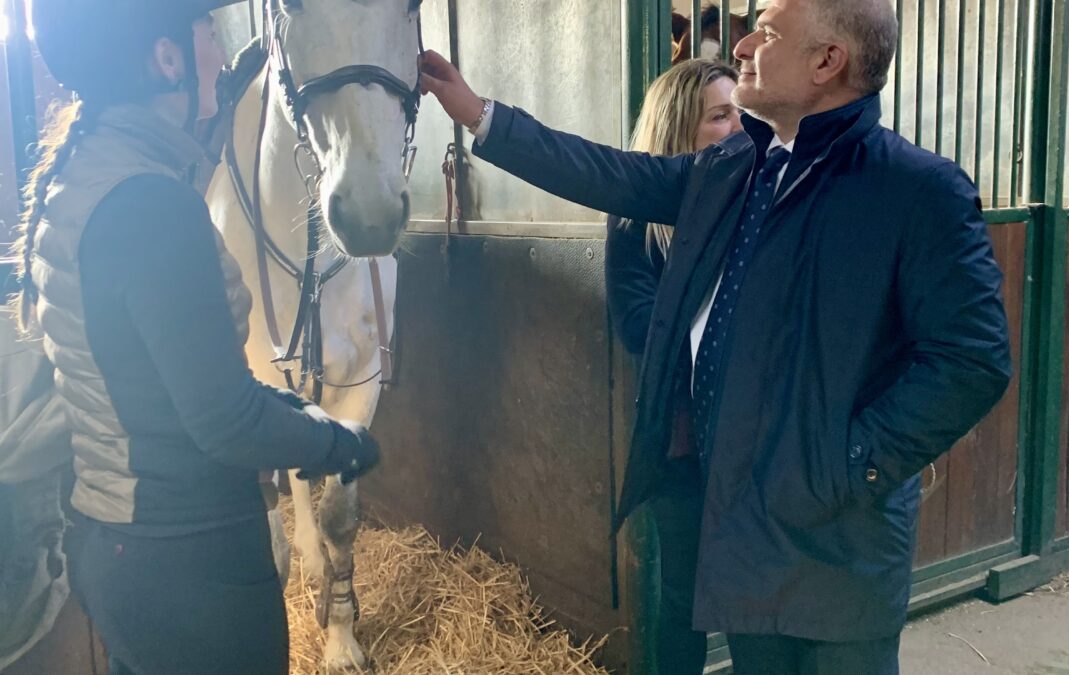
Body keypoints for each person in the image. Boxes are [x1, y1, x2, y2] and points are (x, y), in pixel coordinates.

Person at [419, 0, 1012, 671]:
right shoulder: (736, 167)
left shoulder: (918, 190)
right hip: (745, 525)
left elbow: (973, 358)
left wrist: (854, 464)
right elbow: (612, 173)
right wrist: (481, 116)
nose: (745, 44)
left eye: (768, 30)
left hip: (839, 541)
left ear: (827, 62)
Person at [8, 2, 380, 673]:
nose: (220, 47)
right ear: (167, 58)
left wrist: (293, 409)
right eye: (206, 31)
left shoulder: (86, 176)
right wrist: (337, 440)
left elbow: (165, 379)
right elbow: (223, 419)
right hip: (193, 562)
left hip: (121, 544)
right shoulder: (153, 206)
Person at [605, 58, 742, 674]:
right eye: (721, 115)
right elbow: (638, 326)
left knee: (750, 599)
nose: (739, 127)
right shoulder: (635, 222)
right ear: (679, 128)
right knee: (682, 598)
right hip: (682, 443)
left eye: (741, 112)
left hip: (749, 441)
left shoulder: (757, 201)